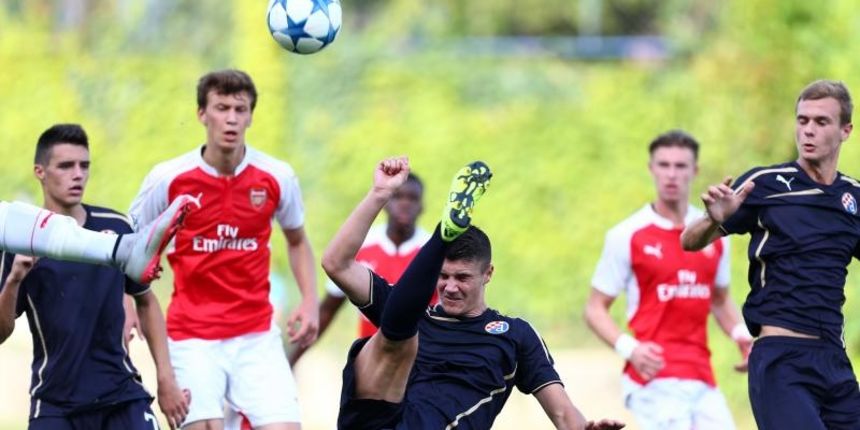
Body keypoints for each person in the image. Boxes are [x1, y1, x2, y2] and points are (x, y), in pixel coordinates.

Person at [323, 156, 625, 430]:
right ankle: (445, 233)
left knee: (402, 327)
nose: (450, 287)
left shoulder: (515, 335)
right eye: (442, 276)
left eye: (463, 277)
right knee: (399, 332)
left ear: (488, 274)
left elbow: (562, 412)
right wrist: (379, 193)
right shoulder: (418, 315)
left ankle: (444, 235)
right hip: (376, 415)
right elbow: (336, 264)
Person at [129, 69, 318, 430]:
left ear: (250, 116)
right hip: (191, 335)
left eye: (240, 108)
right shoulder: (168, 178)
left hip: (256, 336)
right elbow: (129, 243)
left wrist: (309, 299)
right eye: (221, 107)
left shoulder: (277, 176)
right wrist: (126, 304)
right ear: (202, 114)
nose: (231, 118)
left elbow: (297, 240)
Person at [681, 80, 860, 429]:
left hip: (834, 361)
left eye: (821, 122)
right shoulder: (765, 184)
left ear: (845, 131)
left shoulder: (853, 198)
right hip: (781, 361)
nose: (807, 130)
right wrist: (712, 219)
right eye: (802, 120)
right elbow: (689, 240)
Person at [0, 124, 190, 429]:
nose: (78, 174)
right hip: (55, 404)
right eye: (66, 166)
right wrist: (14, 281)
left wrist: (166, 378)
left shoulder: (116, 227)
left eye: (84, 165)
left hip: (121, 396)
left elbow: (146, 300)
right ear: (40, 171)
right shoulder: (20, 239)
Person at [584, 130, 751, 430]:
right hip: (654, 378)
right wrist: (629, 348)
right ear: (651, 169)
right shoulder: (627, 235)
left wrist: (741, 335)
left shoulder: (715, 234)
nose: (671, 174)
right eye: (663, 165)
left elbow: (720, 298)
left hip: (701, 375)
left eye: (680, 166)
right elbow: (595, 308)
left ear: (695, 171)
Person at [289, 172, 429, 366]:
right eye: (398, 196)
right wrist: (291, 361)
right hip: (370, 363)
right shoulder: (360, 246)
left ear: (422, 206)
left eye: (412, 198)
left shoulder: (432, 251)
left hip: (420, 363)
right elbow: (328, 310)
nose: (405, 203)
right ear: (386, 202)